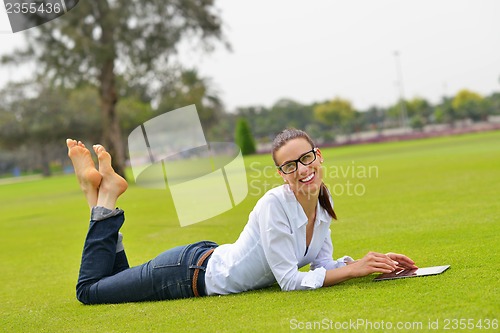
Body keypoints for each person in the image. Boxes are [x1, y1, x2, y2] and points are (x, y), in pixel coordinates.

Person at [67, 128, 417, 305]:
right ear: (281, 172)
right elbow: (290, 281)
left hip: (204, 259)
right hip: (184, 274)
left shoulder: (322, 200)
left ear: (319, 156)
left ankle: (97, 194)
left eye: (307, 158)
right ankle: (103, 195)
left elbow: (321, 264)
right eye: (290, 165)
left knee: (114, 281)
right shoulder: (273, 205)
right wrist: (353, 269)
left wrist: (369, 262)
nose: (303, 170)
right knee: (90, 291)